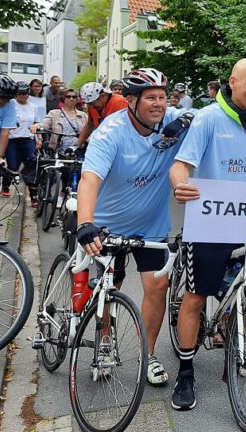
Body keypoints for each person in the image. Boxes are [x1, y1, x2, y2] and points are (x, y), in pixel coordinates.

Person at [169, 58, 246, 411]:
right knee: (195, 299)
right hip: (208, 224)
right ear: (233, 83)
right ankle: (186, 372)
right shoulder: (208, 118)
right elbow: (182, 165)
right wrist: (180, 185)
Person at [77, 68, 195, 388]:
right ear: (130, 101)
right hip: (107, 225)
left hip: (152, 226)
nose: (159, 104)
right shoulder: (110, 133)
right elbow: (89, 180)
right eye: (150, 98)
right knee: (106, 290)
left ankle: (148, 352)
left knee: (157, 289)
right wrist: (85, 222)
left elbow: (209, 115)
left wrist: (185, 120)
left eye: (162, 97)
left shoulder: (171, 117)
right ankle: (104, 342)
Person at [2, 82, 41, 201]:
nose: (22, 96)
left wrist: (39, 138)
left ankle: (34, 194)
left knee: (31, 166)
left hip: (28, 139)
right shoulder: (10, 104)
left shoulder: (33, 107)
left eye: (24, 93)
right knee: (12, 166)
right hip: (13, 140)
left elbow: (37, 123)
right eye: (19, 93)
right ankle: (5, 186)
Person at [75, 82, 128, 149]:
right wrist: (76, 145)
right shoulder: (92, 104)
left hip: (121, 146)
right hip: (104, 145)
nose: (92, 107)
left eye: (93, 103)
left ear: (102, 96)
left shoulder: (121, 103)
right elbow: (90, 124)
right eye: (89, 104)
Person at [34, 88, 88, 153]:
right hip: (59, 151)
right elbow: (44, 124)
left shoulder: (83, 115)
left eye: (74, 97)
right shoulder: (54, 113)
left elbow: (90, 131)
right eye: (68, 96)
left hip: (79, 151)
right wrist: (37, 125)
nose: (71, 99)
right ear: (63, 98)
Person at [0, 76, 18, 168]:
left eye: (8, 99)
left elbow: (5, 132)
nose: (5, 102)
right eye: (3, 98)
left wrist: (0, 156)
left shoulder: (10, 103)